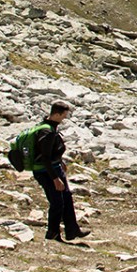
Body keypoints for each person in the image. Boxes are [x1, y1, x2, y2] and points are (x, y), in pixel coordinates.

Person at [31, 100, 89, 242]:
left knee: (66, 197)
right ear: (57, 114)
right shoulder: (47, 131)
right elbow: (44, 156)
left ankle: (72, 230)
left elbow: (49, 152)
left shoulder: (48, 126)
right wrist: (55, 179)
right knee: (57, 201)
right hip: (47, 171)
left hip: (54, 167)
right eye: (63, 115)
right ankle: (53, 232)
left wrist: (60, 161)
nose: (64, 119)